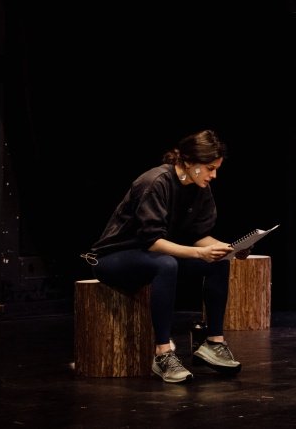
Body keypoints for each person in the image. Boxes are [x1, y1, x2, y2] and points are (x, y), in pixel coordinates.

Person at [83, 129, 245, 384]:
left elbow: (198, 235)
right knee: (166, 264)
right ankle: (163, 353)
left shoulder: (199, 187)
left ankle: (214, 343)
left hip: (150, 255)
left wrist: (228, 248)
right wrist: (199, 252)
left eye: (216, 169)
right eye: (210, 168)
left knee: (217, 263)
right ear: (190, 162)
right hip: (112, 258)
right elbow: (153, 242)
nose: (214, 175)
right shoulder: (155, 182)